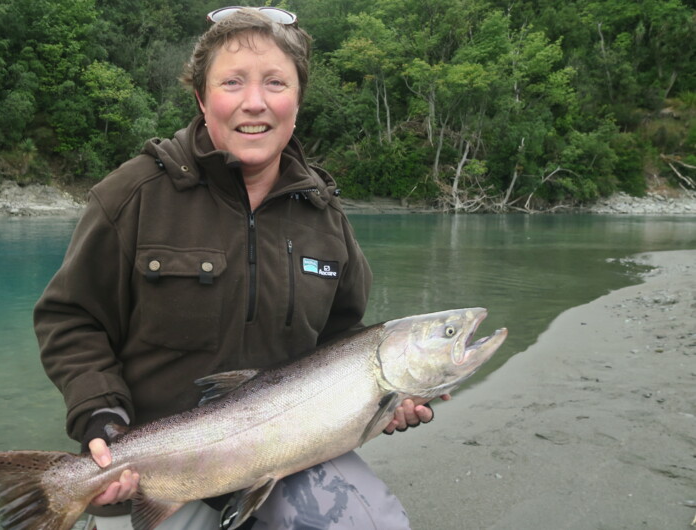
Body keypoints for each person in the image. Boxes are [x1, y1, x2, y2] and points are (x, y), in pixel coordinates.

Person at [33, 7, 445, 529]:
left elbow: (346, 339)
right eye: (233, 82)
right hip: (155, 467)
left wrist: (385, 400)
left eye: (276, 82)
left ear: (297, 101)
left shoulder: (325, 217)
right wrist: (100, 416)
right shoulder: (132, 195)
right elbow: (71, 319)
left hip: (286, 458)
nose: (255, 103)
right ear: (203, 99)